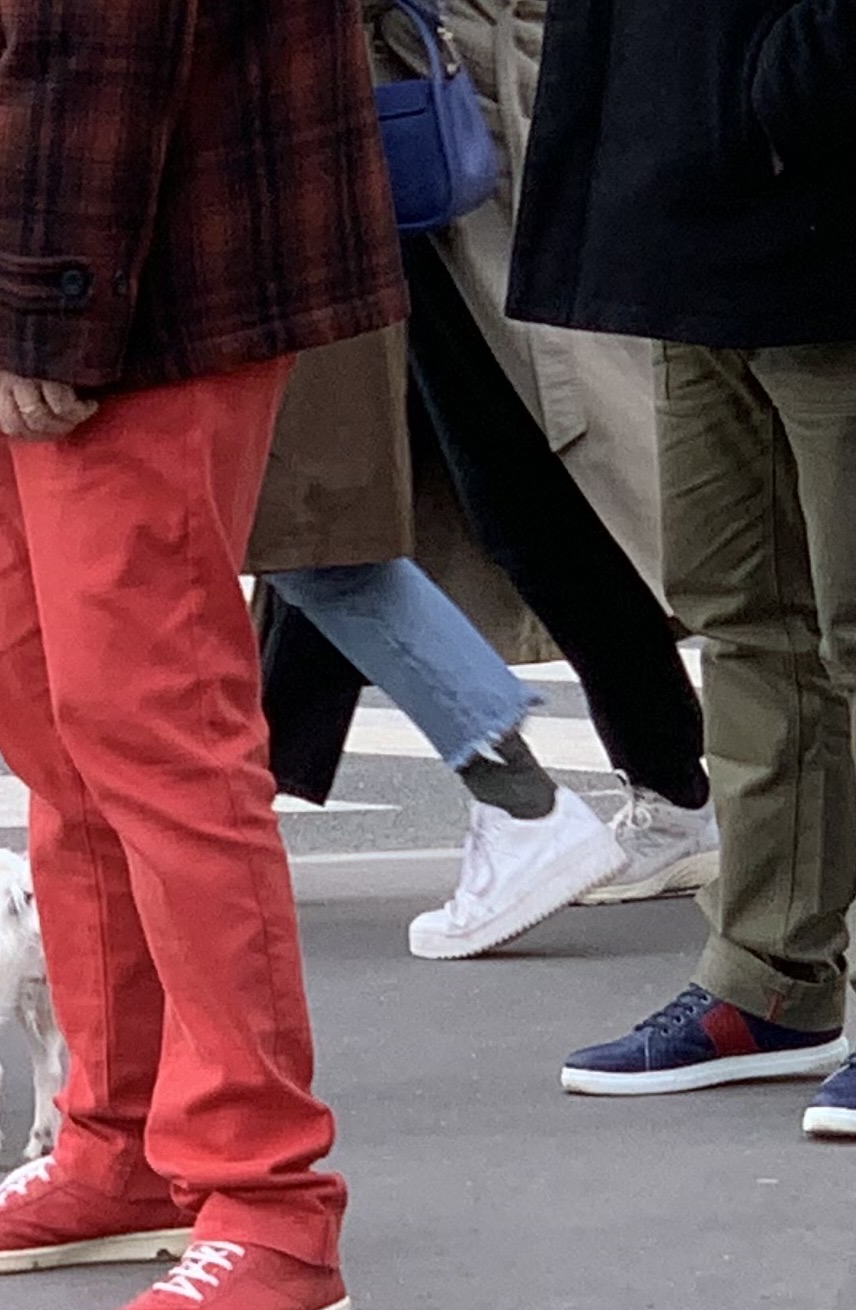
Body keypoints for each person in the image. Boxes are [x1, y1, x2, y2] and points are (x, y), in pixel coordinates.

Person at [0, 0, 404, 1310]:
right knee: (50, 713)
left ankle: (265, 1203)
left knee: (151, 730)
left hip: (125, 259)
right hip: (45, 253)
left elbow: (102, 29)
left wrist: (32, 300)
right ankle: (124, 1137)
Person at [254, 0, 720, 945]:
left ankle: (586, 800)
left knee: (498, 480)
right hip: (415, 117)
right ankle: (659, 785)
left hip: (435, 124)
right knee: (355, 495)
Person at [506, 0, 856, 1134]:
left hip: (816, 172)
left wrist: (789, 80)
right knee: (746, 617)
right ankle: (771, 979)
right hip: (692, 195)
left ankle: (776, 976)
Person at [249, 329, 628, 962]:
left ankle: (526, 806)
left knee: (315, 548)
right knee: (309, 546)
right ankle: (524, 803)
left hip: (260, 303)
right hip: (296, 296)